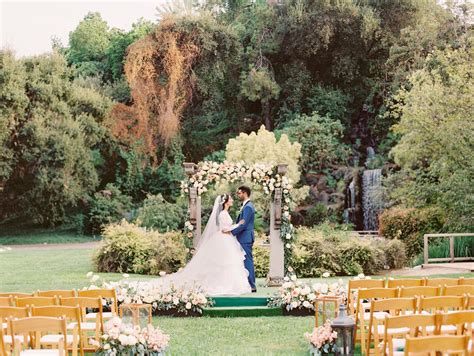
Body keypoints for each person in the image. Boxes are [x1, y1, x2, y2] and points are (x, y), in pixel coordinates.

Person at [152, 193, 251, 296]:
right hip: (224, 239)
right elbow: (224, 229)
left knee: (229, 263)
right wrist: (237, 225)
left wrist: (236, 225)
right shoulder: (222, 214)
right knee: (223, 263)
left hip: (228, 239)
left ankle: (231, 284)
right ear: (225, 202)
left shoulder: (225, 213)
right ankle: (222, 284)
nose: (232, 200)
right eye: (230, 199)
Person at [230, 186, 257, 293]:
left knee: (247, 261)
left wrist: (231, 233)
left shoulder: (248, 207)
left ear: (245, 193)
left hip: (245, 238)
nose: (238, 195)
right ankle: (246, 284)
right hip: (243, 237)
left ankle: (252, 285)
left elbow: (243, 225)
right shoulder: (245, 206)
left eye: (239, 193)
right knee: (243, 261)